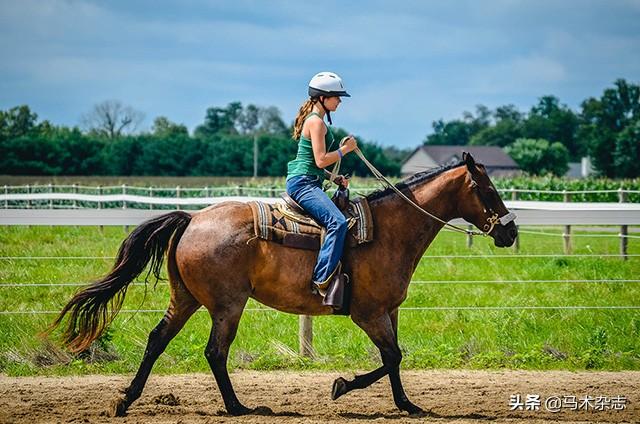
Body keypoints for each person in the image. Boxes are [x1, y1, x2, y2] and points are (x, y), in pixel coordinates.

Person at [285, 71, 358, 308]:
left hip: (307, 179)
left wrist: (333, 178)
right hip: (304, 184)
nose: (339, 101)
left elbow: (311, 163)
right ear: (323, 98)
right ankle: (322, 279)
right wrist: (344, 151)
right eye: (336, 96)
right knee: (337, 222)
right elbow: (319, 160)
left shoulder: (315, 120)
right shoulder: (316, 123)